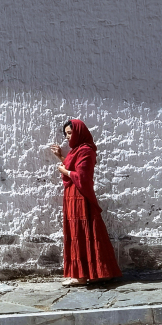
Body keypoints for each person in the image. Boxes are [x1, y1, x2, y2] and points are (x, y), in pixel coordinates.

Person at [49, 118, 122, 286]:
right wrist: (61, 156)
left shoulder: (87, 150)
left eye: (70, 133)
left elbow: (82, 176)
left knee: (82, 231)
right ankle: (88, 273)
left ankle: (82, 276)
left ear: (79, 132)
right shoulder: (76, 150)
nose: (67, 137)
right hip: (72, 195)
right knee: (76, 232)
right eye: (66, 134)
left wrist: (65, 171)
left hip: (80, 196)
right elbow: (73, 168)